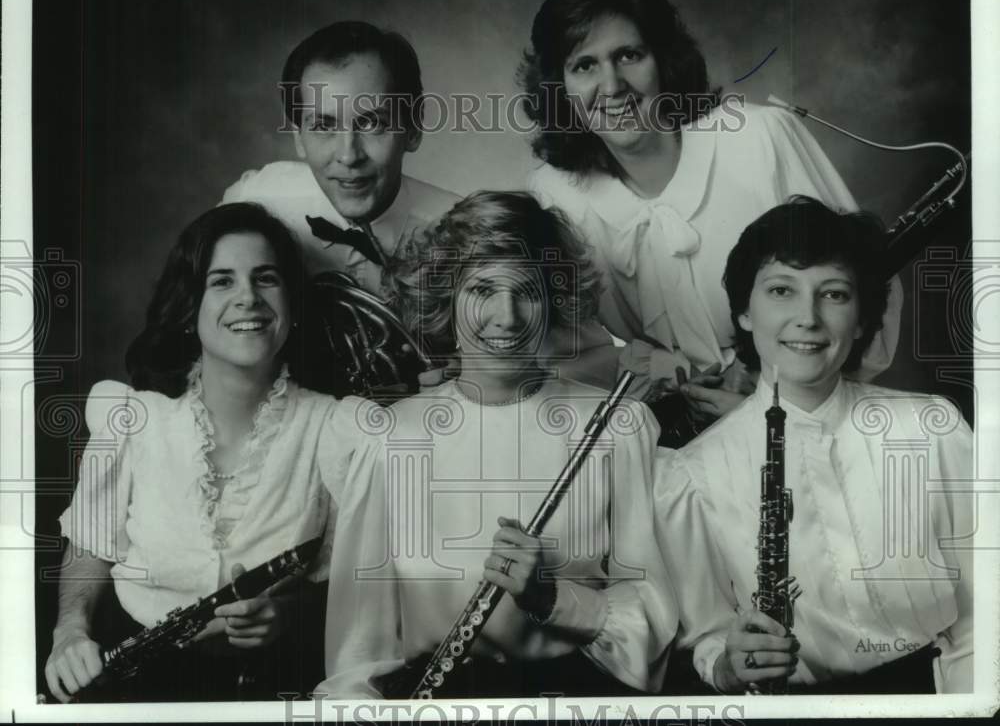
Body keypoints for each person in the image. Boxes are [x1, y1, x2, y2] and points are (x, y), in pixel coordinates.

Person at [316, 191, 677, 698]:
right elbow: (357, 662)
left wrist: (551, 597)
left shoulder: (616, 426)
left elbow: (651, 622)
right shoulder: (389, 438)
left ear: (553, 301)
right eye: (482, 289)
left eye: (526, 291)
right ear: (446, 299)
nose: (506, 317)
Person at [519, 0, 901, 425]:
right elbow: (561, 350)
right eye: (584, 65)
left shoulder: (758, 138)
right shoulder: (555, 195)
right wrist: (657, 380)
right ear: (559, 87)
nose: (612, 87)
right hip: (667, 439)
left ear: (663, 58)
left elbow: (864, 297)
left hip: (801, 422)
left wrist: (774, 403)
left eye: (628, 56)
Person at [45, 203, 371, 702]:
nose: (248, 299)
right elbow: (90, 544)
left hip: (281, 687)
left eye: (266, 279)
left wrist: (289, 613)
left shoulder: (337, 428)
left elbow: (362, 582)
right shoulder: (133, 419)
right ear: (188, 306)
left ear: (292, 305)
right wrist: (70, 632)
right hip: (136, 684)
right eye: (222, 281)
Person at [654, 197, 973, 694]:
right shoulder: (689, 476)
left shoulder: (932, 428)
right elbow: (708, 638)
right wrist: (727, 664)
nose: (808, 317)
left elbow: (984, 615)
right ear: (743, 311)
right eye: (781, 290)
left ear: (863, 320)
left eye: (835, 295)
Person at [222, 20, 461, 293]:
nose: (349, 156)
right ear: (299, 138)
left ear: (413, 129)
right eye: (323, 126)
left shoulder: (462, 235)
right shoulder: (255, 202)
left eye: (372, 124)